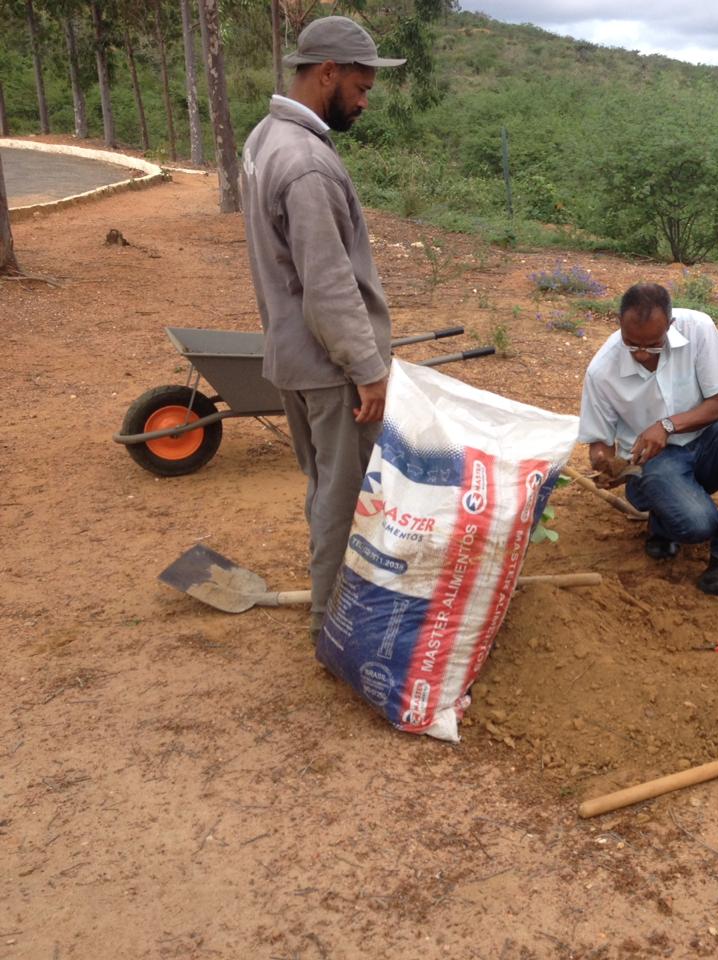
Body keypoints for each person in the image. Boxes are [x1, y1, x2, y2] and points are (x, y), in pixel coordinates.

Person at [240, 17, 405, 642]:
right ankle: (332, 629)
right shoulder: (307, 163)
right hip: (331, 368)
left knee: (324, 488)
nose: (364, 102)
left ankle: (330, 609)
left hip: (294, 355)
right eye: (360, 88)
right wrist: (368, 370)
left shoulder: (266, 137)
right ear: (328, 72)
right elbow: (329, 284)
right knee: (344, 501)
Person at [578, 283, 718, 595]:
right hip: (656, 463)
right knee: (698, 524)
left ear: (670, 324)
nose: (642, 354)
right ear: (619, 323)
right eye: (631, 344)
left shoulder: (699, 329)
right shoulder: (601, 371)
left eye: (653, 345)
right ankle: (664, 519)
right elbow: (600, 443)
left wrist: (666, 426)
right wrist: (605, 464)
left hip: (709, 443)